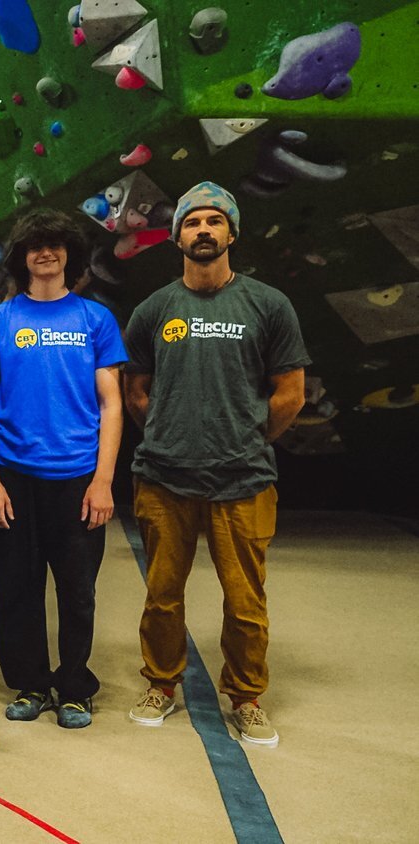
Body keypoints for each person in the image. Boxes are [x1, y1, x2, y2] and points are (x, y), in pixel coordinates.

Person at [123, 182, 307, 747]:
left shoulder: (268, 304)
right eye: (193, 222)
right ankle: (160, 683)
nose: (203, 230)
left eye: (214, 222)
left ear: (232, 233)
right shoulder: (155, 309)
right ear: (176, 236)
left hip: (244, 480)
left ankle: (248, 696)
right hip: (163, 477)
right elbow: (136, 392)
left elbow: (290, 393)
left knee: (246, 600)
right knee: (162, 594)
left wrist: (247, 440)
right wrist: (170, 434)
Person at [0, 209, 127, 730]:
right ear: (21, 257)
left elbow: (112, 405)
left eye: (56, 245)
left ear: (70, 255)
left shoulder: (96, 320)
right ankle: (32, 683)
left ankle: (75, 686)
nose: (46, 253)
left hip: (80, 476)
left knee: (77, 590)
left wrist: (104, 480)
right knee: (16, 587)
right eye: (35, 245)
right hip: (14, 476)